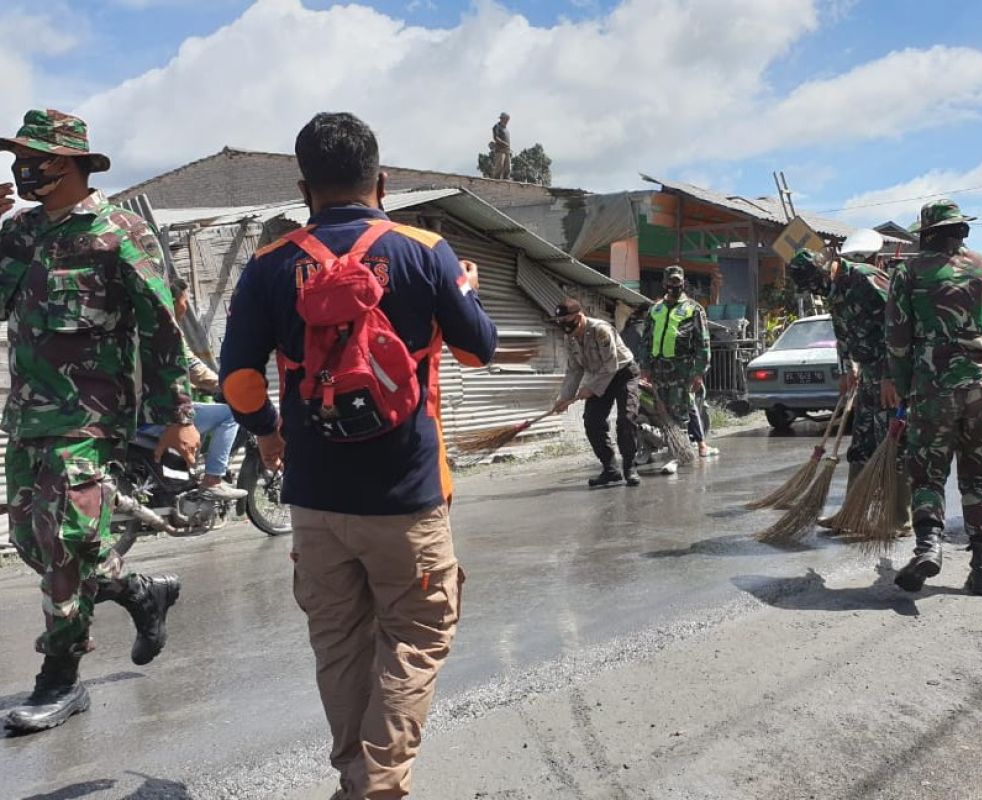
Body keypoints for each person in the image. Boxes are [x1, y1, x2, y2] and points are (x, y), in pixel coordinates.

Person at [219, 112, 497, 799]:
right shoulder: (423, 250)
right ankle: (377, 785)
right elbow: (477, 350)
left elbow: (237, 380)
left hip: (315, 502)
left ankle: (357, 779)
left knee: (339, 646)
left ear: (304, 188)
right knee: (414, 637)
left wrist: (269, 432)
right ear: (382, 181)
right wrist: (462, 290)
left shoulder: (268, 265)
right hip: (408, 501)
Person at [0, 109, 197, 733]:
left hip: (91, 416)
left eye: (35, 157)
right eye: (17, 156)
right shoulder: (20, 233)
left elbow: (162, 328)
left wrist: (178, 417)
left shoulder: (120, 233)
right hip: (29, 415)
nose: (20, 167)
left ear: (72, 162)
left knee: (62, 542)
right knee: (37, 542)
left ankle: (59, 682)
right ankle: (140, 590)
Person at [884, 199, 982, 596]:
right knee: (978, 476)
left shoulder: (907, 272)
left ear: (926, 234)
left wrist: (902, 382)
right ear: (961, 231)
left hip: (934, 385)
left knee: (928, 472)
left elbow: (896, 337)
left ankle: (929, 546)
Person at [790, 229, 911, 534]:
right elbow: (843, 333)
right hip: (869, 373)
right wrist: (847, 368)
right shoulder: (835, 290)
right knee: (862, 444)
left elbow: (898, 326)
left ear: (828, 269)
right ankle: (852, 513)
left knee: (893, 443)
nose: (818, 291)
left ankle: (899, 518)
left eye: (818, 283)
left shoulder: (868, 279)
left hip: (891, 375)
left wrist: (889, 376)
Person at [136, 277, 247, 501]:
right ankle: (213, 480)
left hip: (133, 410)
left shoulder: (137, 326)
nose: (186, 306)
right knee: (231, 415)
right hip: (154, 412)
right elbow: (194, 370)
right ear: (174, 301)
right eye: (185, 300)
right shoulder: (166, 330)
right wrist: (228, 386)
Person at [552, 298, 641, 487]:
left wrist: (590, 388)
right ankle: (610, 470)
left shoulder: (601, 330)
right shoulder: (570, 338)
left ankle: (629, 467)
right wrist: (564, 398)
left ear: (579, 316)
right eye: (562, 323)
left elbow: (611, 366)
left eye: (568, 321)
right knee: (592, 421)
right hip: (600, 377)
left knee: (626, 419)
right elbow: (574, 370)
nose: (567, 327)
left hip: (623, 373)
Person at [643, 265, 716, 457]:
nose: (674, 285)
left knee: (683, 408)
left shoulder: (693, 309)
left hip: (682, 369)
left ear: (683, 283)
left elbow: (703, 343)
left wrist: (699, 372)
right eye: (670, 281)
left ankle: (691, 449)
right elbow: (646, 340)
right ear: (664, 283)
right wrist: (645, 367)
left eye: (677, 281)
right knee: (662, 410)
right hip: (659, 370)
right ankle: (674, 448)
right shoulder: (655, 309)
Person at [489, 112, 511, 180]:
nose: (507, 121)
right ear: (502, 119)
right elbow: (496, 137)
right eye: (506, 119)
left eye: (507, 119)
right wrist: (504, 143)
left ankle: (506, 180)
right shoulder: (497, 127)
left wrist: (507, 146)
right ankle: (496, 180)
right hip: (500, 150)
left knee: (508, 166)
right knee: (500, 166)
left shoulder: (506, 129)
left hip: (507, 150)